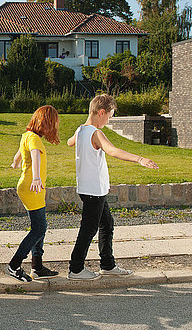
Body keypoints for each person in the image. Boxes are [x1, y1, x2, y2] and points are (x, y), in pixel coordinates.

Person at [67, 94, 159, 280]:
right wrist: (140, 159)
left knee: (106, 224)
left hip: (90, 189)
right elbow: (113, 151)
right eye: (109, 116)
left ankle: (107, 265)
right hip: (93, 190)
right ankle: (75, 269)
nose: (109, 120)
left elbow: (70, 141)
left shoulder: (81, 130)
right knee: (89, 229)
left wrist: (76, 140)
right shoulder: (95, 133)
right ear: (101, 112)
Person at [8, 106, 60, 282]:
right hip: (33, 187)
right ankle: (14, 265)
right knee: (39, 228)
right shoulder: (35, 139)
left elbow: (18, 155)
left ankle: (37, 266)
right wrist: (36, 177)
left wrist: (15, 163)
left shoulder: (27, 136)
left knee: (40, 226)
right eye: (51, 123)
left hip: (31, 187)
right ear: (44, 122)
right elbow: (35, 154)